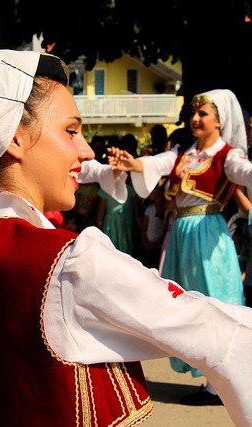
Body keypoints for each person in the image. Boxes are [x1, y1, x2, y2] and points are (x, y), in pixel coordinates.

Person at [0, 50, 252, 427]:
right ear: (13, 136)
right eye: (71, 131)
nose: (85, 150)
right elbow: (221, 339)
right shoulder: (70, 264)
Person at [108, 88, 251, 406]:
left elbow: (244, 172)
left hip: (208, 235)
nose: (195, 118)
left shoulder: (228, 154)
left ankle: (222, 383)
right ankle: (212, 378)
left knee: (214, 301)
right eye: (194, 113)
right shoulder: (182, 153)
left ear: (219, 120)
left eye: (203, 114)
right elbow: (157, 163)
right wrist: (134, 163)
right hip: (182, 235)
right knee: (189, 305)